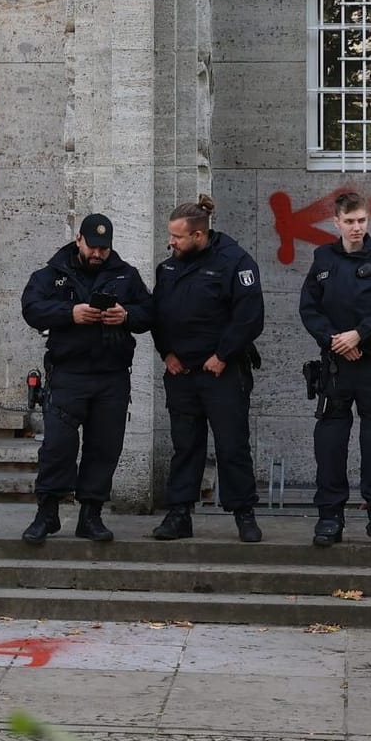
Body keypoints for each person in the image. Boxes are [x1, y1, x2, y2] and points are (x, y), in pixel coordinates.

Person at [19, 212, 153, 545]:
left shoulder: (126, 275)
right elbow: (31, 308)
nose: (97, 254)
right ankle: (47, 514)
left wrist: (126, 315)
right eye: (92, 247)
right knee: (58, 447)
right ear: (79, 239)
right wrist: (71, 313)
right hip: (69, 374)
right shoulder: (53, 273)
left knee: (104, 447)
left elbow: (150, 312)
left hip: (112, 376)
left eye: (104, 249)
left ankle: (90, 515)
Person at [147, 195, 266, 543]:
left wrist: (224, 354)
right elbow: (159, 314)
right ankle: (179, 513)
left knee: (232, 446)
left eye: (177, 237)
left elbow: (249, 317)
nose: (171, 242)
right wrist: (166, 352)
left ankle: (244, 514)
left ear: (199, 235)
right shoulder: (168, 267)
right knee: (185, 445)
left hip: (222, 372)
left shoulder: (235, 262)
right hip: (182, 373)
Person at [299, 191, 371, 549]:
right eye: (349, 221)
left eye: (361, 220)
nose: (357, 227)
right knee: (330, 444)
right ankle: (330, 518)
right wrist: (335, 341)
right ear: (337, 223)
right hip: (335, 367)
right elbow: (309, 308)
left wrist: (359, 335)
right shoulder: (323, 259)